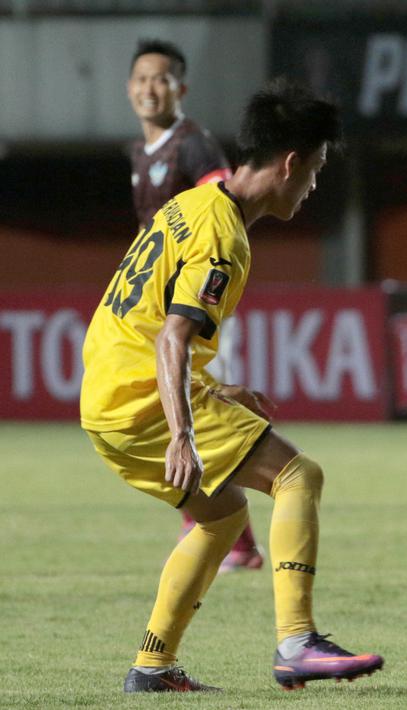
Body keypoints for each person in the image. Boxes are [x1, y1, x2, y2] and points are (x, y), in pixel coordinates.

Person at [81, 79, 383, 692]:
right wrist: (184, 435)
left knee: (221, 517)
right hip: (144, 403)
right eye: (316, 169)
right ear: (291, 162)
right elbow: (170, 339)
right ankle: (297, 641)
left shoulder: (195, 203)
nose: (315, 185)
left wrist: (215, 391)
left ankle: (152, 666)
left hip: (105, 401)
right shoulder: (224, 236)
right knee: (300, 475)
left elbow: (153, 330)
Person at [126, 38, 263, 572]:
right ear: (128, 88)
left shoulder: (193, 144)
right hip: (160, 310)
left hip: (195, 306)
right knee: (178, 412)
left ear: (180, 88)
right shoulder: (142, 152)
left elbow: (222, 204)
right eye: (140, 79)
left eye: (160, 79)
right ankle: (231, 539)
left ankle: (229, 537)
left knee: (201, 414)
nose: (148, 88)